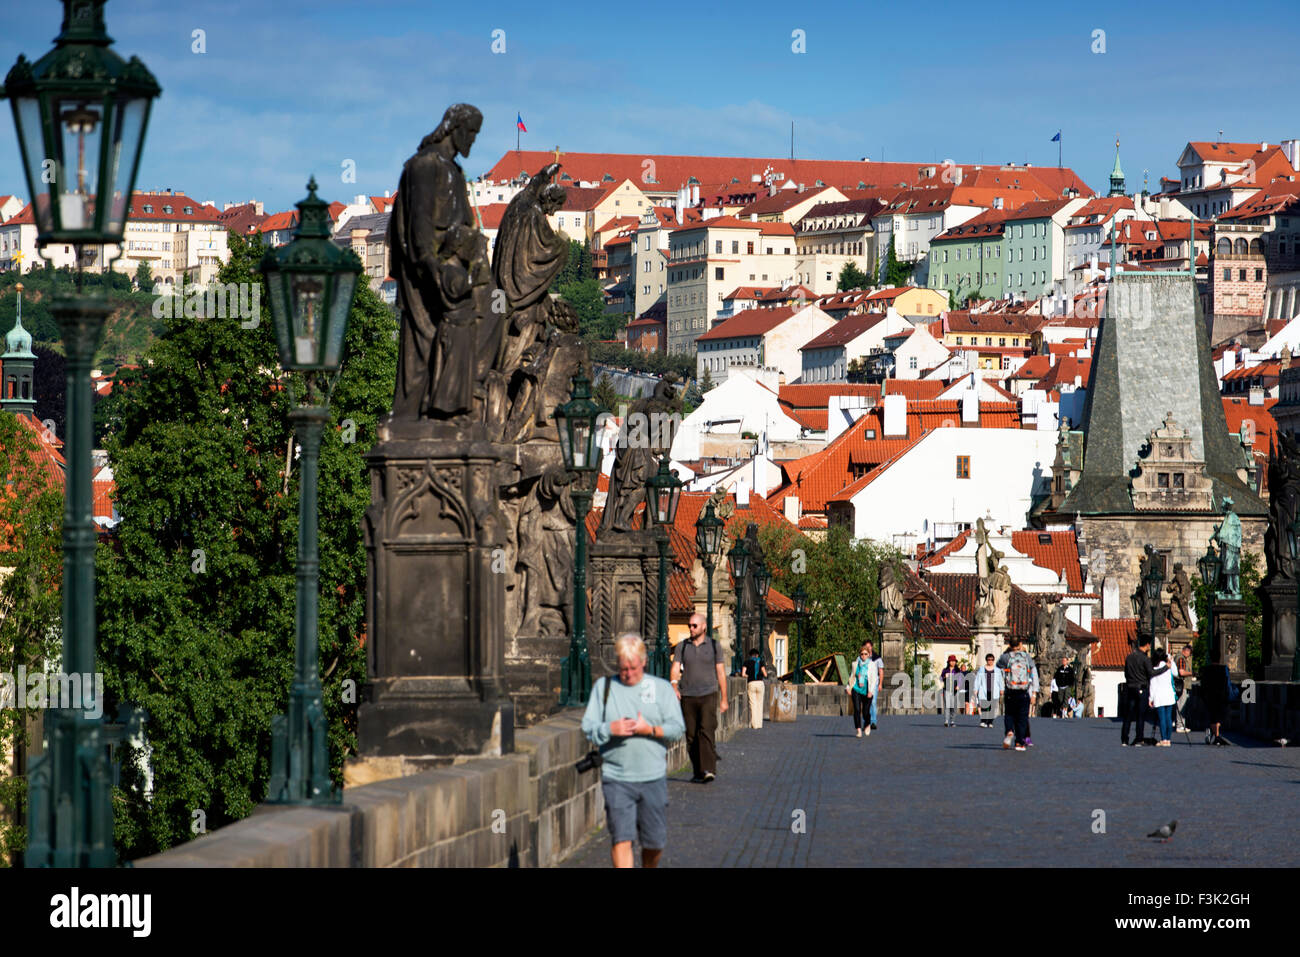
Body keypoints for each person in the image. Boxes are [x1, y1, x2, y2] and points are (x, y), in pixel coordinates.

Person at [581, 634, 685, 868]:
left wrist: (650, 729)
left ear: (644, 661)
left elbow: (677, 728)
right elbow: (588, 727)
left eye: (633, 668)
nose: (627, 673)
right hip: (616, 778)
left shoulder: (661, 689)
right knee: (621, 839)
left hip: (653, 777)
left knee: (654, 842)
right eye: (623, 668)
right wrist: (610, 728)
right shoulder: (605, 688)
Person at [670, 613, 729, 782]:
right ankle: (697, 771)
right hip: (687, 695)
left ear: (703, 626)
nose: (691, 628)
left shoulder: (714, 645)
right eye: (689, 625)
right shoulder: (683, 646)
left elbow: (720, 672)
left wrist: (724, 698)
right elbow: (675, 667)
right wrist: (674, 685)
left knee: (706, 731)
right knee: (691, 735)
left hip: (708, 694)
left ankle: (708, 769)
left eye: (694, 625)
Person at [997, 637, 1038, 751]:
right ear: (1020, 644)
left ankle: (1009, 731)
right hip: (1024, 691)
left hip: (1010, 690)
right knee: (1022, 717)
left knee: (1009, 714)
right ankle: (1019, 743)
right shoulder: (1027, 657)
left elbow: (998, 667)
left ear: (1009, 644)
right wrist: (1034, 693)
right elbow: (1034, 674)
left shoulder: (1006, 657)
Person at [1121, 637, 1154, 746]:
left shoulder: (1129, 657)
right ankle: (1139, 738)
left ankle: (1124, 739)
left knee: (1128, 715)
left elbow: (1126, 673)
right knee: (1141, 715)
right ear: (1148, 645)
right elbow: (1151, 673)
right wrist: (1165, 668)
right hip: (1141, 688)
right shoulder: (1145, 659)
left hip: (1130, 687)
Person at [845, 644, 879, 737]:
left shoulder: (872, 665)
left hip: (867, 690)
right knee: (857, 709)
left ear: (869, 655)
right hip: (856, 689)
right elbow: (852, 676)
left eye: (865, 654)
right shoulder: (855, 664)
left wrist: (871, 691)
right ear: (859, 655)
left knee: (865, 712)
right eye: (862, 654)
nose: (863, 656)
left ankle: (867, 723)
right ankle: (859, 730)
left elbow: (874, 679)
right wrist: (848, 687)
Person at [1148, 648, 1176, 747]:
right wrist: (1170, 660)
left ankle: (1163, 739)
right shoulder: (1169, 667)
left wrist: (1150, 698)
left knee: (1162, 719)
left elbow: (1153, 685)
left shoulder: (1155, 669)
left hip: (1159, 696)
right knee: (1169, 718)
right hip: (1169, 695)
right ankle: (1168, 739)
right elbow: (1176, 673)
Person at [1199, 662, 1231, 746]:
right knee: (1220, 716)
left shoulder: (1206, 669)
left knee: (1213, 717)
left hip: (1210, 696)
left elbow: (1203, 683)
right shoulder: (1224, 669)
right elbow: (1227, 682)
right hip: (1221, 695)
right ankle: (1216, 736)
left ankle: (1215, 735)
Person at [973, 653, 1003, 728]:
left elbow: (1000, 680)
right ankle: (983, 721)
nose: (990, 661)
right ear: (986, 660)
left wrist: (1002, 689)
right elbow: (977, 680)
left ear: (993, 660)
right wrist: (976, 689)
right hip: (984, 690)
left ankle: (990, 722)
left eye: (992, 660)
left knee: (992, 707)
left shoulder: (997, 670)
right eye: (989, 660)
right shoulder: (981, 669)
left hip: (994, 690)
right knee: (984, 706)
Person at [742, 647, 767, 730]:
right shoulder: (761, 662)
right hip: (760, 683)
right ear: (757, 655)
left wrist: (748, 676)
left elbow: (743, 674)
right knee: (760, 703)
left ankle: (754, 724)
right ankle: (759, 724)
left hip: (751, 683)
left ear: (750, 655)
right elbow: (765, 674)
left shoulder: (746, 662)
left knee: (753, 704)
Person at [1174, 644, 1194, 733]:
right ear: (1186, 651)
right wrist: (1191, 673)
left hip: (1180, 685)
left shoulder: (1178, 657)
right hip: (1182, 685)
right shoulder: (1181, 659)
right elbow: (1181, 672)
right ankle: (1180, 725)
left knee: (1180, 704)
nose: (1190, 655)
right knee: (1181, 705)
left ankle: (1180, 724)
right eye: (1190, 653)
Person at [940, 655, 964, 727]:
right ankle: (946, 721)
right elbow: (941, 679)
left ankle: (952, 721)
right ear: (948, 662)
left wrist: (958, 686)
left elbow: (960, 679)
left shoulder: (957, 671)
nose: (953, 662)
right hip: (947, 689)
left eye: (954, 661)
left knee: (953, 706)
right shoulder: (945, 670)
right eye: (951, 661)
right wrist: (944, 677)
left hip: (955, 690)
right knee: (947, 706)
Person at [864, 639, 883, 730]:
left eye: (869, 646)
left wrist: (880, 684)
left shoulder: (877, 658)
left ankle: (873, 721)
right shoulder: (862, 657)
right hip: (864, 683)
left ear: (872, 647)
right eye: (866, 646)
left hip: (874, 683)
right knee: (865, 703)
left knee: (873, 702)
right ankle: (866, 721)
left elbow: (881, 671)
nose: (868, 648)